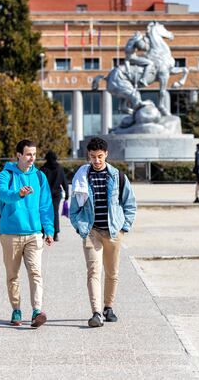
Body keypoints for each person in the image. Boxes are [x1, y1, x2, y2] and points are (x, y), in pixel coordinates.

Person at [69, 137, 137, 328]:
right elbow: (73, 207)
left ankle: (108, 307)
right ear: (88, 156)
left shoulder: (117, 176)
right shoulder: (82, 177)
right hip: (91, 231)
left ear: (106, 154)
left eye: (100, 156)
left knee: (112, 272)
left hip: (113, 232)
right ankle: (96, 313)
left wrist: (124, 227)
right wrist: (79, 226)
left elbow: (129, 204)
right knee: (93, 271)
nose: (96, 161)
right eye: (93, 157)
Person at [0, 139, 54, 328]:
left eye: (34, 154)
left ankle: (37, 311)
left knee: (35, 272)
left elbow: (45, 205)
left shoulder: (39, 177)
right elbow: (4, 194)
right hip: (10, 233)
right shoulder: (6, 174)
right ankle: (16, 309)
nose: (32, 158)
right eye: (28, 154)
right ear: (19, 155)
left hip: (34, 233)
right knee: (12, 275)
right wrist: (18, 194)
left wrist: (49, 229)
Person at [40, 150, 69, 242]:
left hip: (45, 194)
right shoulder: (59, 168)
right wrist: (67, 193)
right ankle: (55, 233)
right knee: (55, 213)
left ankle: (43, 232)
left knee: (43, 212)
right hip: (57, 194)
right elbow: (64, 182)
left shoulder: (43, 169)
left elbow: (38, 183)